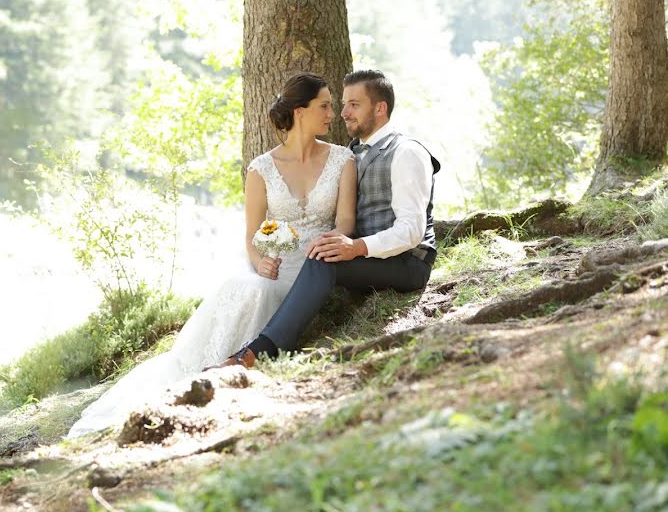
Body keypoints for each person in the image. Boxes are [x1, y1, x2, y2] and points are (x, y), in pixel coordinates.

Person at [67, 72, 357, 437]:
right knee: (249, 286)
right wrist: (259, 261)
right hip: (274, 262)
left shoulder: (342, 159)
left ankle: (240, 364)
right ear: (300, 111)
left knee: (262, 292)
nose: (333, 113)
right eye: (325, 106)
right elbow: (252, 236)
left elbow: (346, 222)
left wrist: (333, 242)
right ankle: (206, 369)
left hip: (318, 261)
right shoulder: (262, 169)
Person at [210, 69, 441, 370]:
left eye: (353, 105)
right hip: (370, 258)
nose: (343, 113)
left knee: (323, 259)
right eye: (341, 104)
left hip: (409, 262)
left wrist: (356, 246)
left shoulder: (407, 153)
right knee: (321, 257)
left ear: (380, 108)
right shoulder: (351, 153)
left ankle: (258, 351)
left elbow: (412, 231)